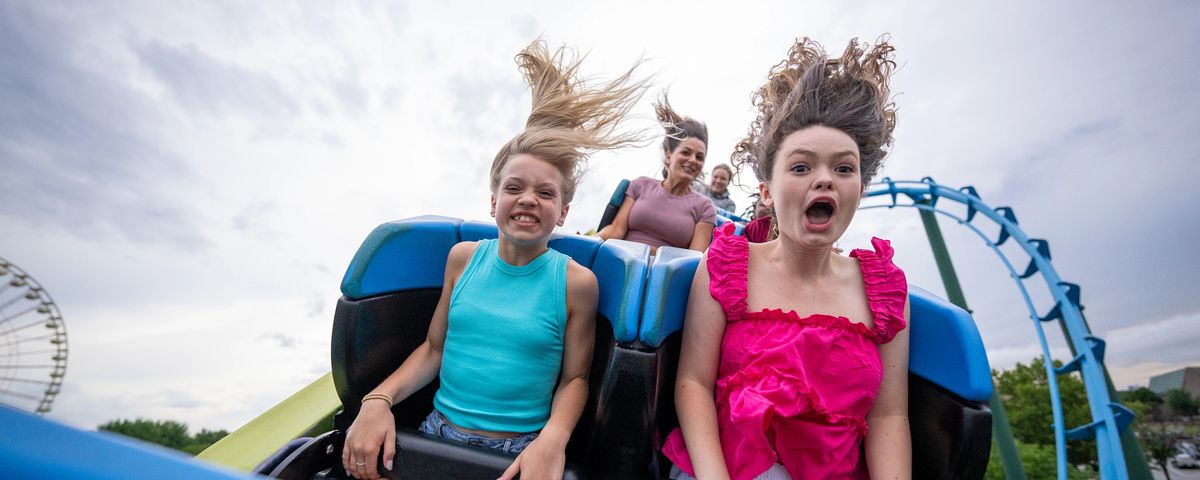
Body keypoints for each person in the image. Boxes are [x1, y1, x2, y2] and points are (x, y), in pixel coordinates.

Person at [341, 40, 648, 480]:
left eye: (545, 193)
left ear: (563, 212)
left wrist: (552, 440)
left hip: (518, 452)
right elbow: (434, 349)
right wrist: (377, 400)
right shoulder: (462, 260)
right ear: (493, 200)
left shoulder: (576, 283)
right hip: (436, 435)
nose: (528, 200)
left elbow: (575, 380)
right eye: (514, 188)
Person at [664, 37, 911, 480]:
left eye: (843, 168)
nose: (824, 181)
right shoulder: (726, 267)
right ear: (767, 192)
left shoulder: (885, 291)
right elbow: (693, 384)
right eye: (801, 168)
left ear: (859, 187)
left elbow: (888, 417)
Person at [597, 94, 717, 253]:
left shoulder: (705, 207)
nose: (693, 160)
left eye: (699, 157)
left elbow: (694, 258)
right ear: (669, 156)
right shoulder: (640, 185)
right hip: (621, 259)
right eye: (686, 153)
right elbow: (616, 230)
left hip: (666, 274)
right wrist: (591, 239)